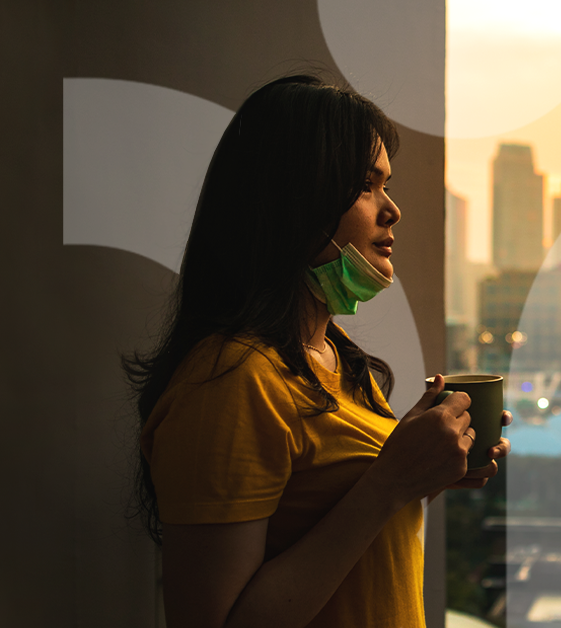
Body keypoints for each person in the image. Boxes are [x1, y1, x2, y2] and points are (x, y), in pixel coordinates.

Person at [123, 74, 512, 628]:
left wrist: (423, 473)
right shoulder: (232, 380)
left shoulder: (334, 357)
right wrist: (389, 484)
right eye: (364, 185)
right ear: (292, 202)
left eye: (386, 184)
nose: (392, 209)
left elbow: (344, 538)